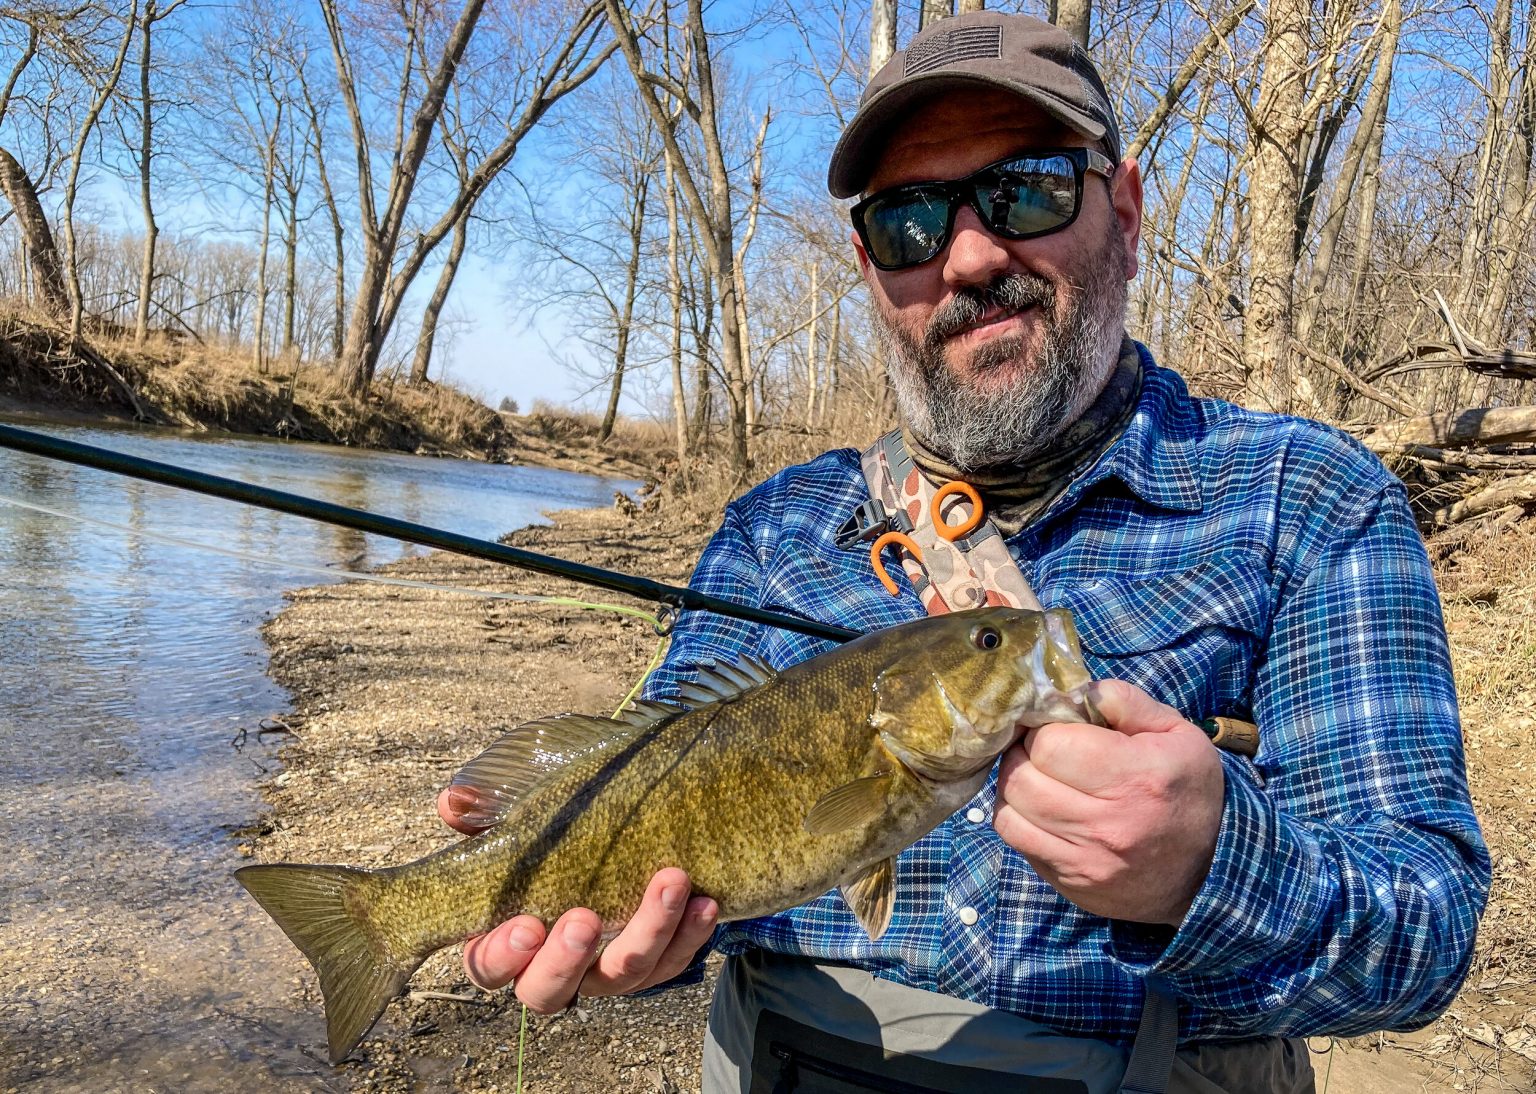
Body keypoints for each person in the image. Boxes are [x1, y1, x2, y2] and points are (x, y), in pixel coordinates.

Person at [438, 12, 1490, 1092]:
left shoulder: (1306, 500)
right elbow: (674, 851)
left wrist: (1214, 864)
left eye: (1028, 188)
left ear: (1125, 213)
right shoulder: (771, 532)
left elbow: (1429, 929)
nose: (974, 254)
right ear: (870, 266)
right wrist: (628, 947)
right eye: (909, 220)